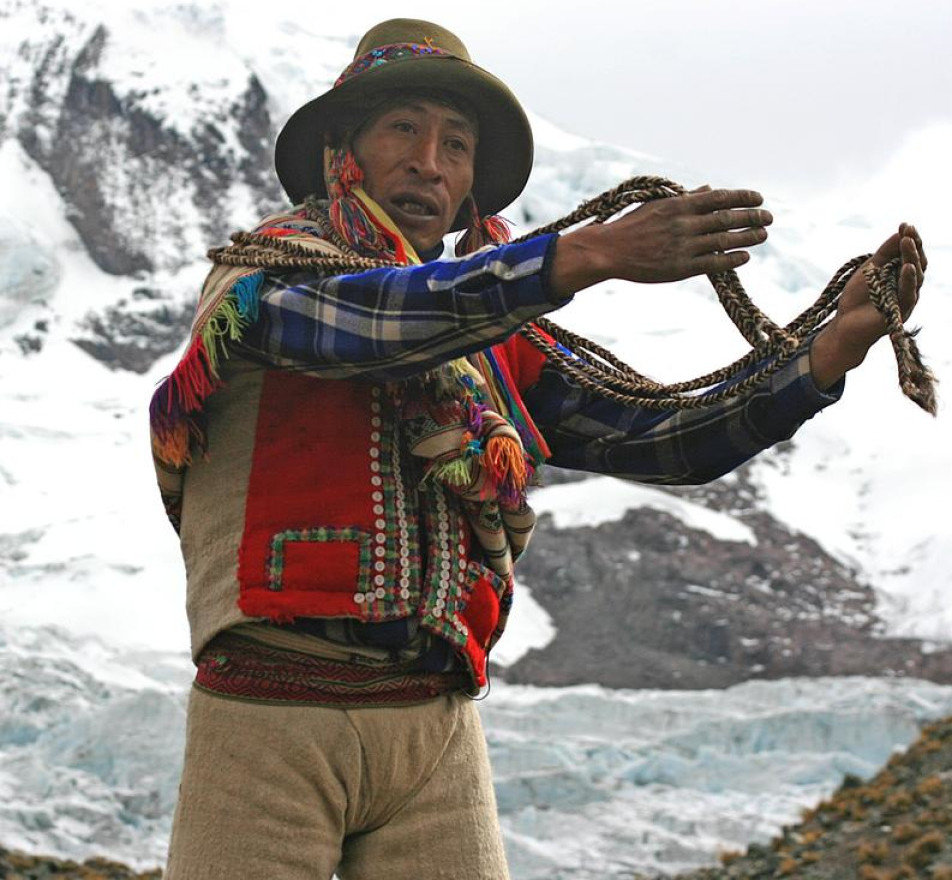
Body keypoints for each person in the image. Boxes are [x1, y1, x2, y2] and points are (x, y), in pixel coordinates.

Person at [149, 18, 926, 880]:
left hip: (435, 728)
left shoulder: (493, 338)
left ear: (470, 188)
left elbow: (660, 441)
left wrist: (824, 356)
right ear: (342, 152)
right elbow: (371, 323)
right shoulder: (265, 275)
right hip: (270, 711)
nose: (430, 162)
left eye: (456, 144)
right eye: (403, 128)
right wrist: (585, 255)